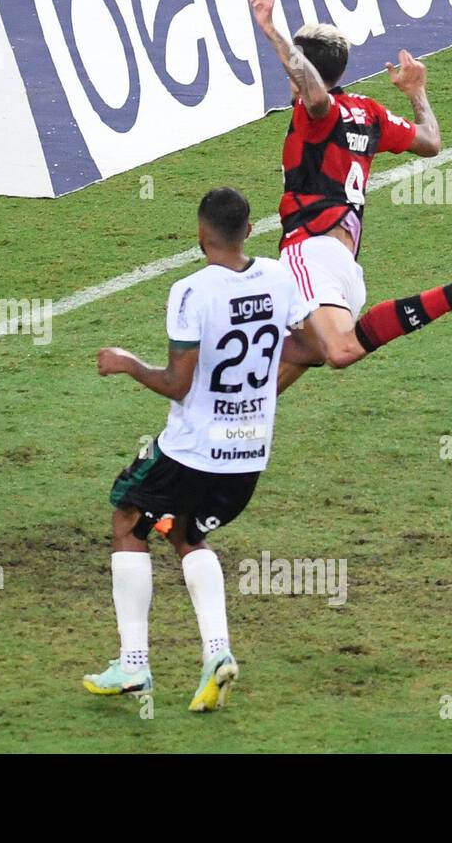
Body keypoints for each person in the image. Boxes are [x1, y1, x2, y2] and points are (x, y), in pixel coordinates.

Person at [85, 188, 317, 711]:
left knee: (128, 517)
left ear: (200, 234)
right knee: (187, 534)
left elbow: (177, 385)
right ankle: (217, 654)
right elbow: (315, 350)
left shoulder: (191, 291)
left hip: (193, 450)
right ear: (249, 230)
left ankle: (134, 664)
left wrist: (127, 363)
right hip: (249, 454)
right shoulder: (280, 278)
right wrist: (260, 393)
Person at [246, 0, 452, 392]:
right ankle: (224, 434)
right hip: (345, 267)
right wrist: (417, 92)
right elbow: (431, 142)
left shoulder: (315, 112)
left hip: (309, 251)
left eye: (294, 66)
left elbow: (316, 97)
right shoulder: (368, 113)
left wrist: (271, 30)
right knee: (302, 354)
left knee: (337, 351)